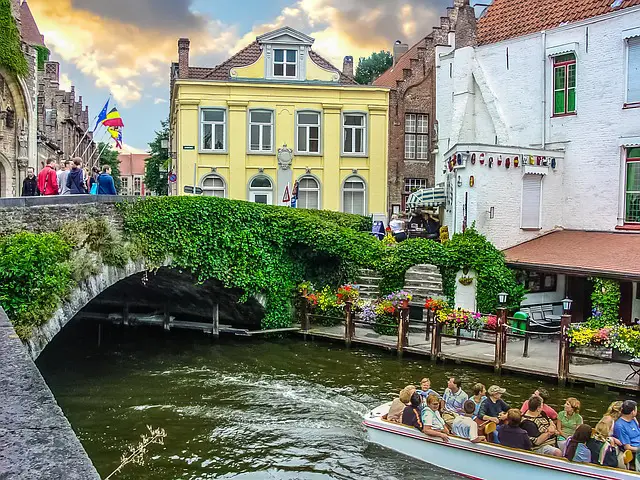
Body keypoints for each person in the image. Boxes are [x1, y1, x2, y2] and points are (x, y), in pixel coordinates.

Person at [613, 400, 640, 470]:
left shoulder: (633, 420)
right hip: (635, 452)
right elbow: (627, 447)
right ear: (632, 412)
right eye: (636, 409)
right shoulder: (620, 426)